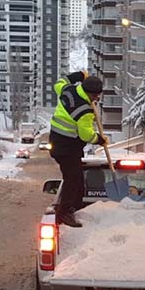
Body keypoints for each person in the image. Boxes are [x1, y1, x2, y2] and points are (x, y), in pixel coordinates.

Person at [49, 71, 107, 228]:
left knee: (78, 179)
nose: (96, 99)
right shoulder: (84, 110)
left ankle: (75, 206)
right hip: (67, 148)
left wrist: (78, 75)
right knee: (72, 179)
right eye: (94, 96)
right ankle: (64, 213)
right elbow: (86, 135)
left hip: (57, 141)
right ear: (88, 92)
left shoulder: (69, 90)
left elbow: (59, 83)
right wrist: (99, 139)